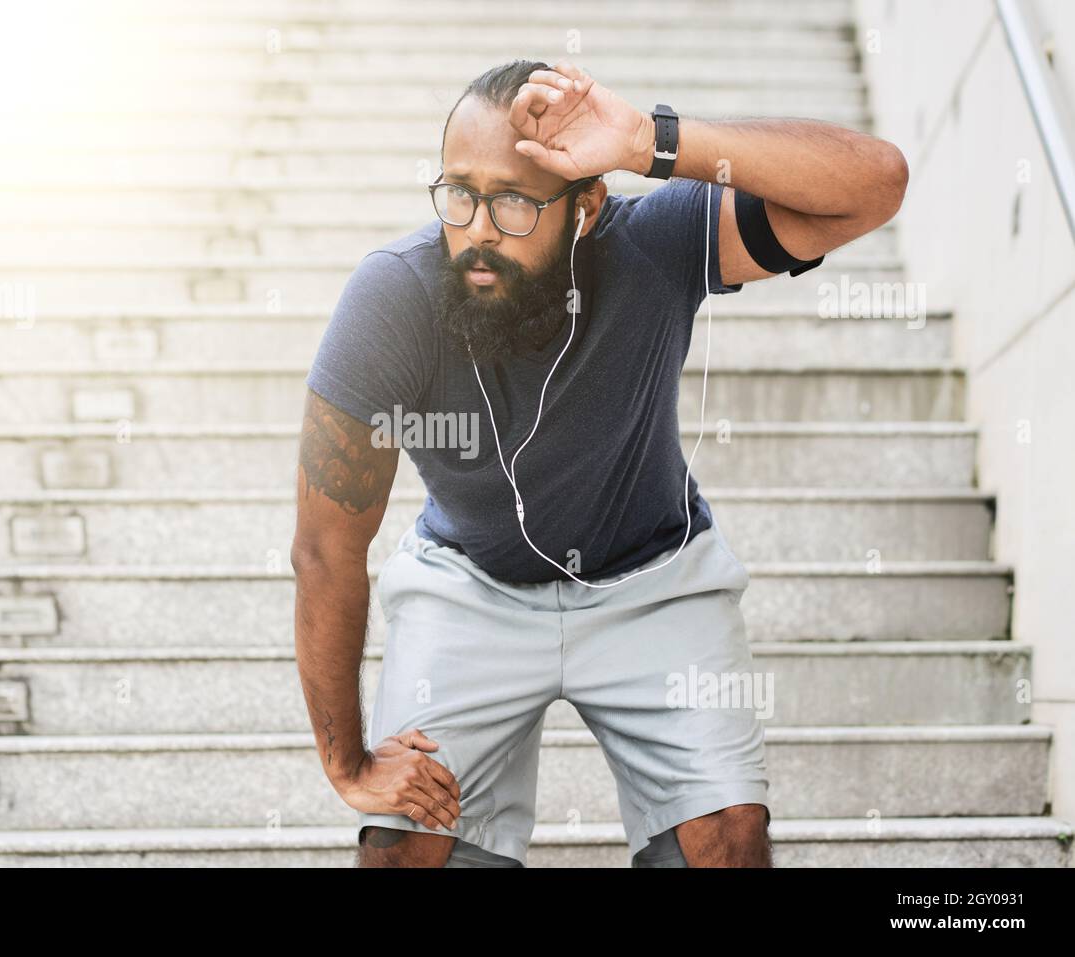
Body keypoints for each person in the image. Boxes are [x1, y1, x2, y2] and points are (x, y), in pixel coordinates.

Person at [290, 58, 907, 867]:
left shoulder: (653, 246)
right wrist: (348, 764)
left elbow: (875, 183)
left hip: (653, 581)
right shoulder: (393, 297)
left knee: (724, 840)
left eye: (513, 200)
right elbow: (325, 547)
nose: (478, 228)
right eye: (459, 193)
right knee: (404, 845)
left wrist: (653, 141)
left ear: (586, 205)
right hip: (469, 585)